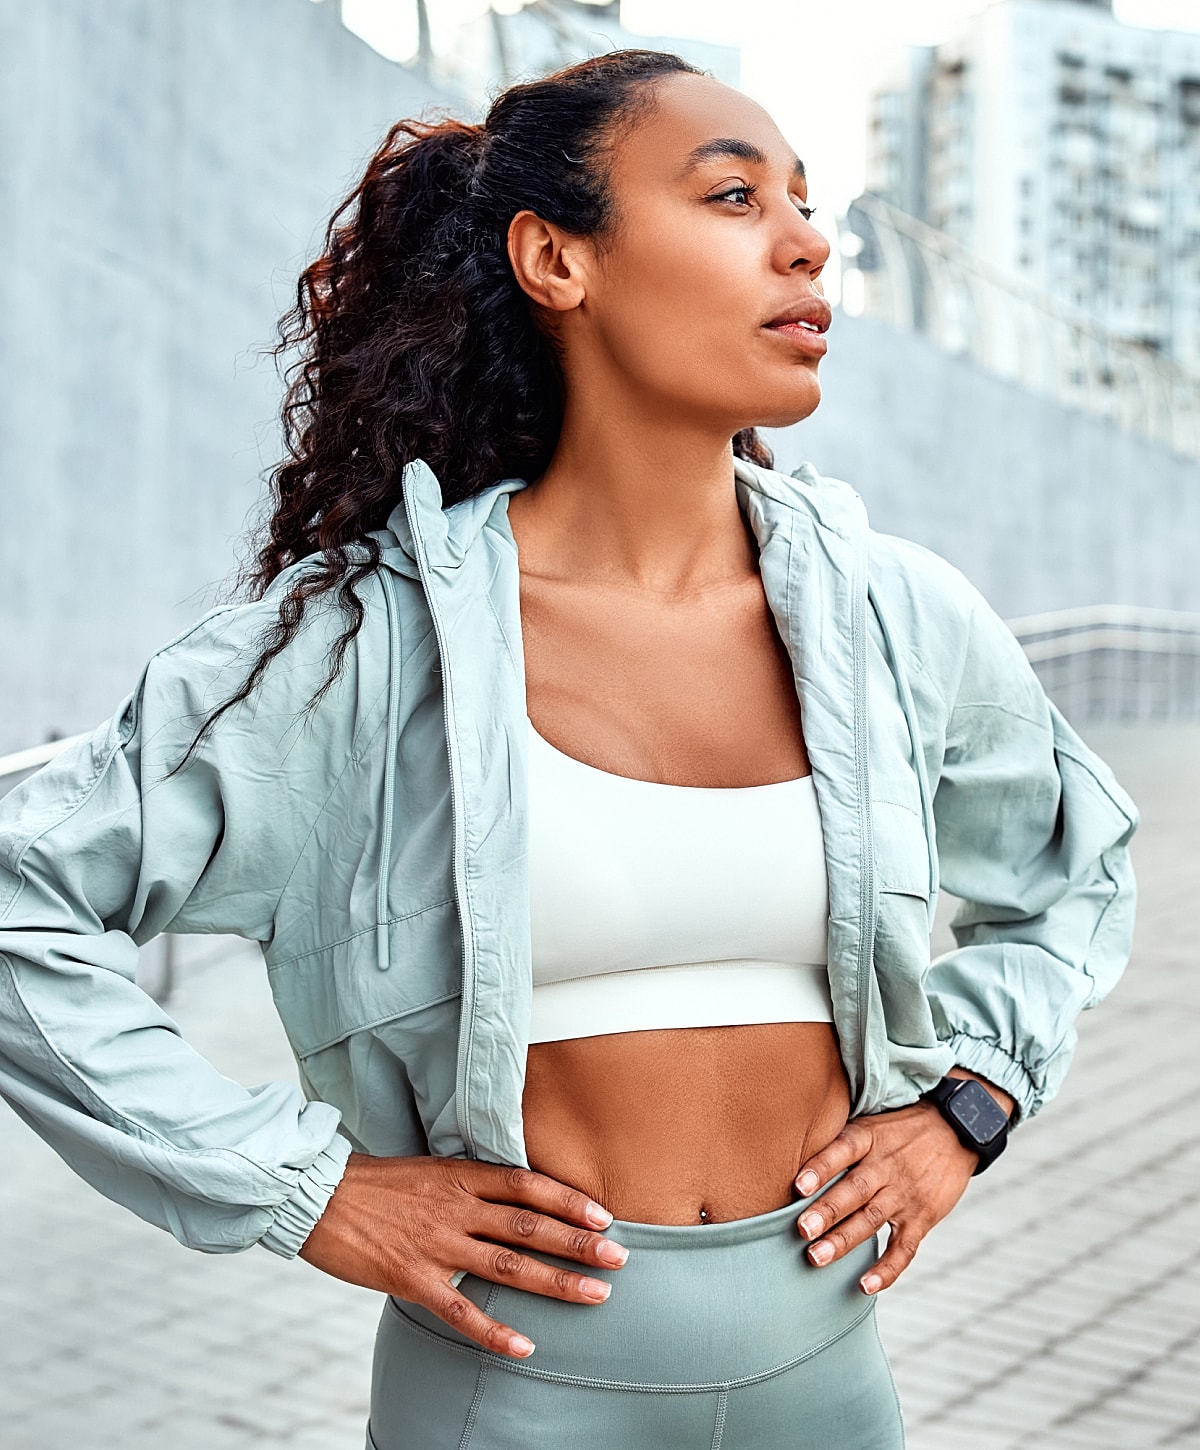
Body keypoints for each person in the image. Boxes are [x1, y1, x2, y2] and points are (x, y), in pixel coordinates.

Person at [0, 49, 1138, 1450]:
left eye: (805, 198)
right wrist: (307, 1188)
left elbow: (1075, 869)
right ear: (555, 258)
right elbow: (22, 899)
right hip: (513, 1390)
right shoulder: (368, 650)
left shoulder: (893, 615)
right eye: (733, 195)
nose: (807, 237)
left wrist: (966, 1103)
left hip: (832, 1384)